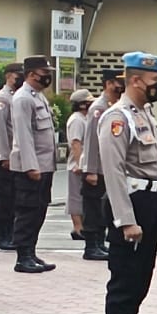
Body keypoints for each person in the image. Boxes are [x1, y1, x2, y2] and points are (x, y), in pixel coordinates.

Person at [99, 52, 157, 314]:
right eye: (155, 81)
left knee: (141, 277)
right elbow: (113, 171)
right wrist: (126, 220)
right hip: (132, 202)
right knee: (126, 279)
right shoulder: (117, 118)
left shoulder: (145, 114)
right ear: (135, 80)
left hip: (151, 200)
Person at [8, 57, 58, 274]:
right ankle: (23, 256)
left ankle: (31, 251)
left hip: (44, 165)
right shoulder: (23, 98)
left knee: (39, 211)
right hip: (31, 167)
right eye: (44, 73)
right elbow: (23, 135)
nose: (47, 76)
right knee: (27, 211)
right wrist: (31, 166)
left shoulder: (37, 96)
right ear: (31, 74)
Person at [80, 71, 125, 262]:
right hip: (96, 168)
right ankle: (91, 246)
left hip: (107, 168)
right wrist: (91, 169)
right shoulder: (98, 108)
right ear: (108, 84)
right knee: (93, 208)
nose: (121, 86)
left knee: (103, 208)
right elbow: (91, 141)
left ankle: (99, 243)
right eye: (118, 83)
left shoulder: (114, 106)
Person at [0, 63, 22, 251]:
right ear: (9, 76)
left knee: (14, 199)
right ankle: (1, 236)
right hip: (4, 157)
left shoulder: (16, 96)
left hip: (15, 156)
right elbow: (0, 130)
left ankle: (11, 234)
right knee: (4, 199)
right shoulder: (2, 98)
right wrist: (4, 156)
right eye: (18, 75)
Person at [66, 90, 92, 240]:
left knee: (82, 196)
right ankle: (77, 227)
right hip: (77, 165)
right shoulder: (77, 120)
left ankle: (82, 226)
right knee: (76, 197)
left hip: (83, 162)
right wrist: (79, 163)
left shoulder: (84, 118)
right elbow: (76, 143)